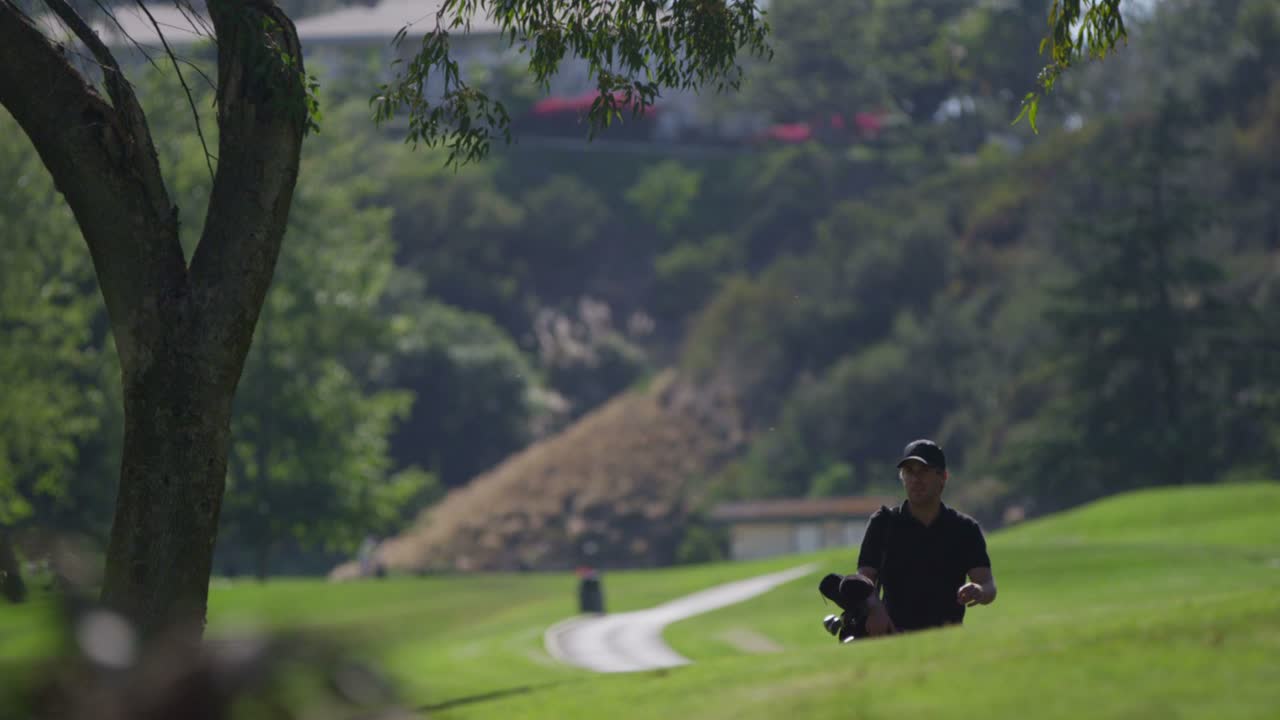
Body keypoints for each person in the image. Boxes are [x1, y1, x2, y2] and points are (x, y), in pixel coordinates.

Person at [820, 438, 997, 641]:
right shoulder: (884, 523)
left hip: (948, 640)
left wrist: (979, 591)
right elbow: (865, 579)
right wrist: (875, 609)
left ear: (943, 477)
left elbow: (987, 584)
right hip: (894, 638)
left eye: (924, 471)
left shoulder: (964, 529)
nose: (915, 478)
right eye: (909, 472)